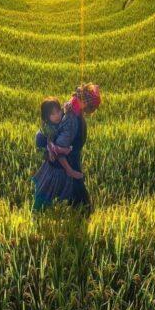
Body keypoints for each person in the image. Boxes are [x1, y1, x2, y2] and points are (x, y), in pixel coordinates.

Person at [32, 83, 101, 213]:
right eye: (78, 93)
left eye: (58, 112)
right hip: (62, 163)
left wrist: (68, 166)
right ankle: (38, 212)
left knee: (60, 188)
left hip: (63, 161)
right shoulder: (72, 114)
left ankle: (81, 211)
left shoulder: (71, 114)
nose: (74, 97)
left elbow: (60, 147)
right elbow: (60, 145)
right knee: (54, 188)